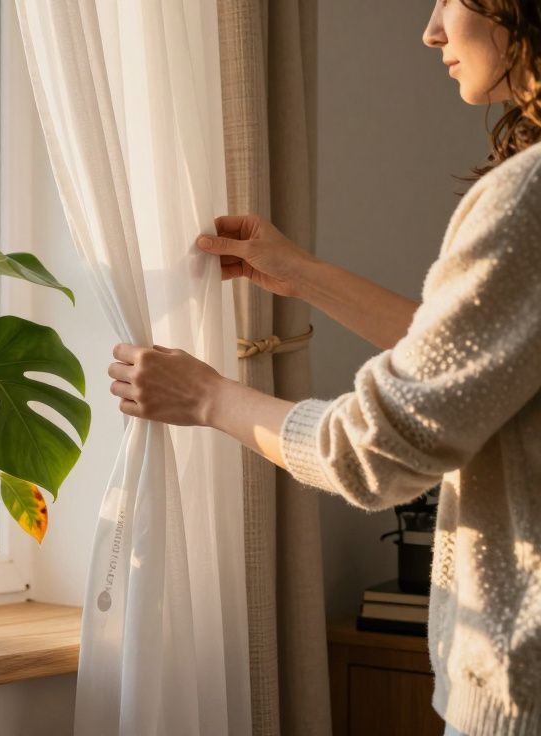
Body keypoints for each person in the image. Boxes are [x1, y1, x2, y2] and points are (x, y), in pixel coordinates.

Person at [108, 1, 541, 734]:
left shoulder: (527, 195)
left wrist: (208, 397)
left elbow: (374, 453)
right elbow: (481, 368)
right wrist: (303, 275)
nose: (431, 30)